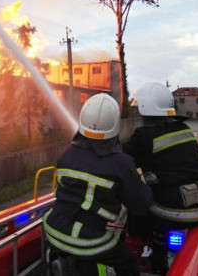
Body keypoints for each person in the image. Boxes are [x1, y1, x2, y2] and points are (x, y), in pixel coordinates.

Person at [43, 93, 153, 276]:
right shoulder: (121, 163)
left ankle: (69, 266)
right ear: (115, 126)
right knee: (127, 262)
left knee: (87, 256)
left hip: (53, 228)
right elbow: (139, 205)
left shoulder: (67, 154)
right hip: (86, 238)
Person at [123, 82, 198, 275]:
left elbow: (121, 160)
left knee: (136, 199)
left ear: (143, 109)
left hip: (176, 211)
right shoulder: (183, 127)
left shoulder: (144, 135)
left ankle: (153, 254)